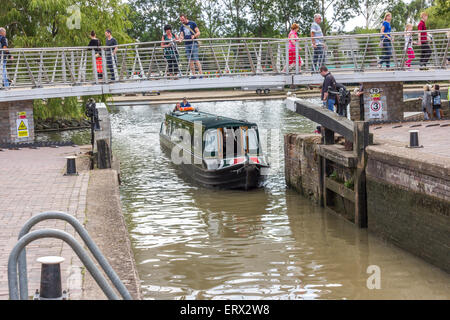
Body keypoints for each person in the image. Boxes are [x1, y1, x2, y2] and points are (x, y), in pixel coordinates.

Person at [179, 14, 203, 79]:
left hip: (193, 43)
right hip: (187, 44)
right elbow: (181, 35)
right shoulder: (182, 26)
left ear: (186, 18)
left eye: (183, 20)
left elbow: (198, 32)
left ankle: (201, 74)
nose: (182, 21)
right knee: (190, 60)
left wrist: (194, 36)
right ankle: (194, 75)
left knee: (196, 59)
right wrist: (180, 39)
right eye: (181, 20)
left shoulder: (192, 23)